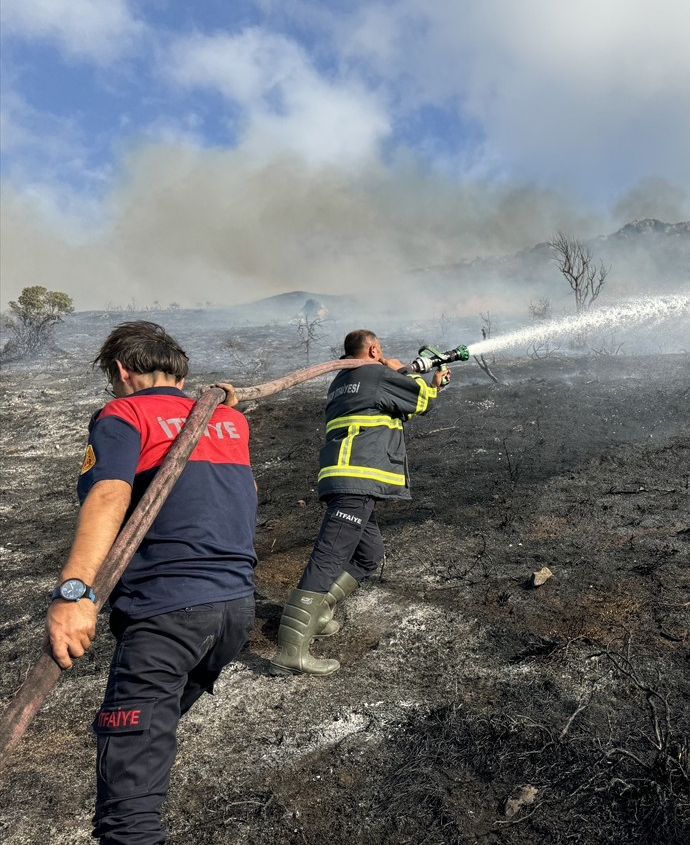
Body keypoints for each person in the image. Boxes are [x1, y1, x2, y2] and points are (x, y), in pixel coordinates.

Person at [45, 320, 257, 845]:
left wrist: (75, 592)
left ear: (120, 370)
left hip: (167, 615)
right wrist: (222, 403)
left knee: (130, 817)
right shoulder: (228, 420)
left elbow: (109, 495)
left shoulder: (123, 414)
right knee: (143, 738)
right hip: (233, 611)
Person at [270, 329, 450, 675]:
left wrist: (425, 381)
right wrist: (409, 373)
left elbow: (397, 409)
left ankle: (319, 613)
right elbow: (421, 400)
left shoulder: (342, 380)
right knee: (327, 557)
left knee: (369, 555)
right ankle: (291, 652)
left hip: (344, 475)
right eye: (380, 350)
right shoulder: (376, 373)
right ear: (373, 348)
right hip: (357, 477)